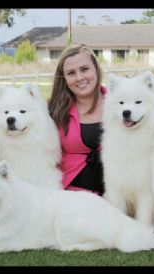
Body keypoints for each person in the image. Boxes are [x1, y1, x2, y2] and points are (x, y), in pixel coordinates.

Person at [48, 44, 106, 196]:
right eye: (71, 73)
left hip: (120, 198)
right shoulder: (52, 110)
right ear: (64, 78)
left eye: (84, 69)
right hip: (73, 197)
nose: (79, 78)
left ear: (96, 69)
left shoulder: (122, 102)